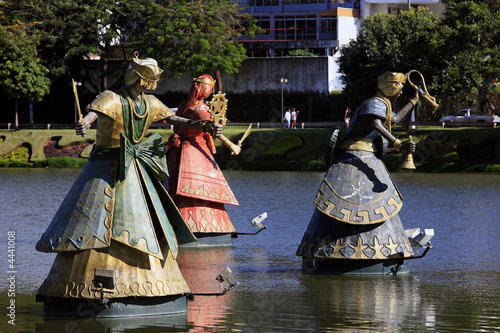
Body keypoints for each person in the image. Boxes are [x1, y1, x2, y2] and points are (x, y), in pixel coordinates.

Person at [35, 56, 222, 315]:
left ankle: (154, 285)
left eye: (151, 81)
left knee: (146, 222)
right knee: (92, 224)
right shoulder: (111, 97)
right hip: (103, 167)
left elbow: (176, 119)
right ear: (138, 78)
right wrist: (85, 123)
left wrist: (203, 125)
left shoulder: (150, 103)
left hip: (135, 168)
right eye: (147, 80)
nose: (150, 85)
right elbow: (94, 113)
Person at [296, 71, 419, 274]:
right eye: (396, 86)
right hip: (353, 154)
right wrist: (398, 143)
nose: (399, 91)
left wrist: (413, 101)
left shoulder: (383, 104)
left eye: (400, 87)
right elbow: (377, 125)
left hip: (367, 155)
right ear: (387, 86)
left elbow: (394, 119)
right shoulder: (375, 103)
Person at [165, 75, 239, 243]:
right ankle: (195, 225)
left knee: (183, 188)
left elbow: (208, 126)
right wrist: (230, 145)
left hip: (184, 153)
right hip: (188, 154)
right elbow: (209, 127)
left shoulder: (190, 107)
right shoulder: (196, 108)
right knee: (190, 189)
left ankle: (178, 223)